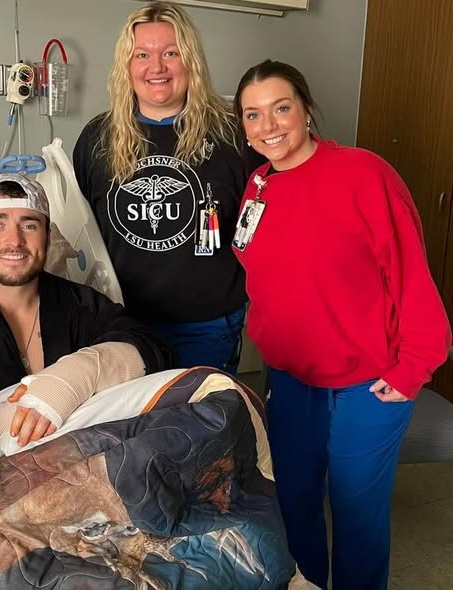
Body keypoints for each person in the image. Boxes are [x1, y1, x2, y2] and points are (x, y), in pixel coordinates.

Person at [231, 59, 452, 590]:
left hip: (369, 382)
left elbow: (409, 272)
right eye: (253, 115)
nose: (268, 126)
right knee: (293, 501)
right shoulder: (258, 185)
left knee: (355, 511)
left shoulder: (363, 174)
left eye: (281, 108)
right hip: (292, 381)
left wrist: (413, 366)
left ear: (307, 110)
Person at [0, 173, 174, 488]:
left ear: (47, 236)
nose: (14, 241)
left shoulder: (80, 305)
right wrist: (6, 423)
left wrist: (76, 375)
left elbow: (153, 348)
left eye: (29, 225)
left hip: (99, 472)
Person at [73, 1, 264, 373]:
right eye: (142, 55)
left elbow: (268, 223)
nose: (156, 67)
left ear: (191, 60)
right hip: (121, 322)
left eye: (171, 53)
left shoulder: (232, 134)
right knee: (130, 412)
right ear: (127, 66)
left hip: (207, 326)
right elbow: (78, 230)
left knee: (196, 411)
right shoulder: (97, 138)